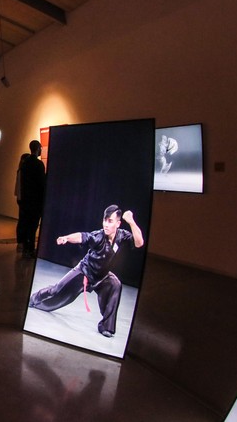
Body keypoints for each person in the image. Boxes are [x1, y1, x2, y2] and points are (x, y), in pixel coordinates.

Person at [28, 205, 145, 337]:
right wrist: (67, 238)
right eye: (104, 220)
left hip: (102, 276)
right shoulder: (98, 236)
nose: (106, 224)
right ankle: (34, 298)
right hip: (85, 272)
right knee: (57, 291)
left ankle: (106, 327)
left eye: (110, 221)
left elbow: (139, 243)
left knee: (115, 284)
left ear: (118, 224)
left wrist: (131, 221)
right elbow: (83, 236)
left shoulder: (122, 236)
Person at [17, 140, 46, 258]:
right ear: (38, 148)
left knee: (25, 223)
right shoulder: (39, 164)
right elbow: (42, 184)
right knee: (33, 226)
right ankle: (30, 249)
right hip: (35, 201)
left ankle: (25, 248)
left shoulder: (24, 164)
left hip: (25, 200)